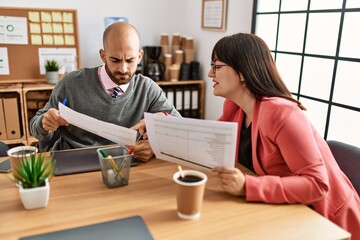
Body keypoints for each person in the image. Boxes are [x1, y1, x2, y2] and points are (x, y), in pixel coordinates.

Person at [209, 33, 360, 239]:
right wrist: (160, 126)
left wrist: (247, 186)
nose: (210, 73)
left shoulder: (282, 113)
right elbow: (210, 138)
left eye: (217, 66)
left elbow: (317, 184)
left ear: (242, 72)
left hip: (324, 222)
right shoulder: (235, 107)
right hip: (281, 211)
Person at [30, 22, 180, 162]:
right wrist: (44, 122)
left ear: (140, 57)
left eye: (130, 60)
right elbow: (36, 127)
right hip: (75, 161)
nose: (123, 69)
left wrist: (155, 145)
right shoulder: (71, 84)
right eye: (115, 60)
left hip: (125, 162)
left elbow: (180, 127)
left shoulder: (147, 89)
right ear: (103, 56)